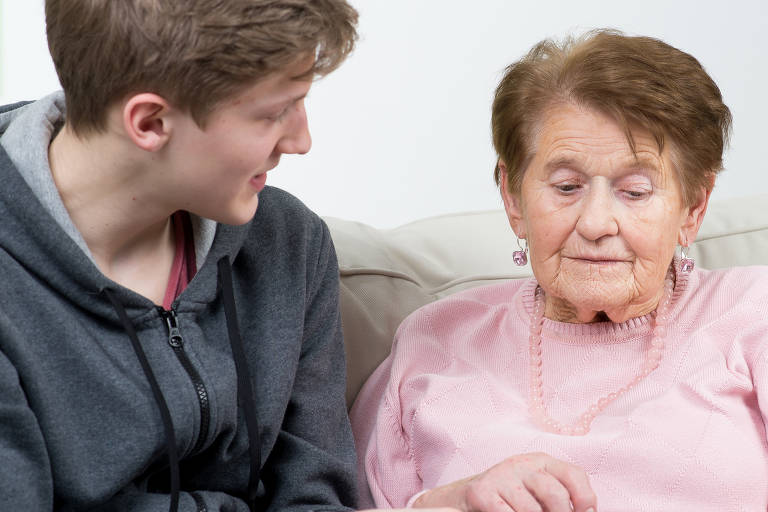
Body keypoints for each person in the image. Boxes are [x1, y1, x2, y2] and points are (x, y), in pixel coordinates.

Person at [351, 30, 768, 512]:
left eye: (634, 191)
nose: (594, 223)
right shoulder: (432, 343)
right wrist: (446, 504)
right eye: (566, 186)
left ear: (693, 208)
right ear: (513, 197)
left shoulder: (753, 314)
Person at [0, 1, 359, 510]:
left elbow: (314, 497)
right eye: (273, 112)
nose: (301, 141)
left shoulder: (289, 244)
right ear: (149, 122)